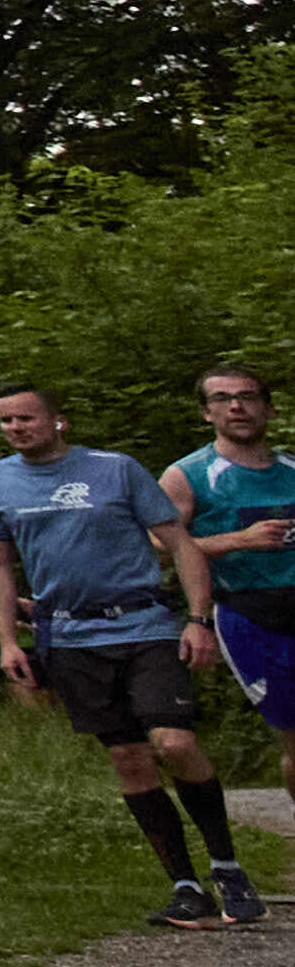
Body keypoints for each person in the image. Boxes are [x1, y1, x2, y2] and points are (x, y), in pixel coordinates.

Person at [0, 382, 248, 929]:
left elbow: (179, 542)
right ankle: (185, 886)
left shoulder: (115, 470)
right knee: (128, 757)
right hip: (70, 637)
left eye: (26, 418)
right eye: (6, 421)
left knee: (174, 742)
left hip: (144, 624)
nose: (16, 428)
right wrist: (7, 641)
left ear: (58, 420)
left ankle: (228, 868)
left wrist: (199, 620)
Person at [160, 367, 295, 902]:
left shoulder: (291, 469)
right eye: (222, 399)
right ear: (206, 412)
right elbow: (154, 548)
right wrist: (239, 540)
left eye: (247, 397)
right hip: (249, 613)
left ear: (268, 408)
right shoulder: (188, 475)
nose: (236, 407)